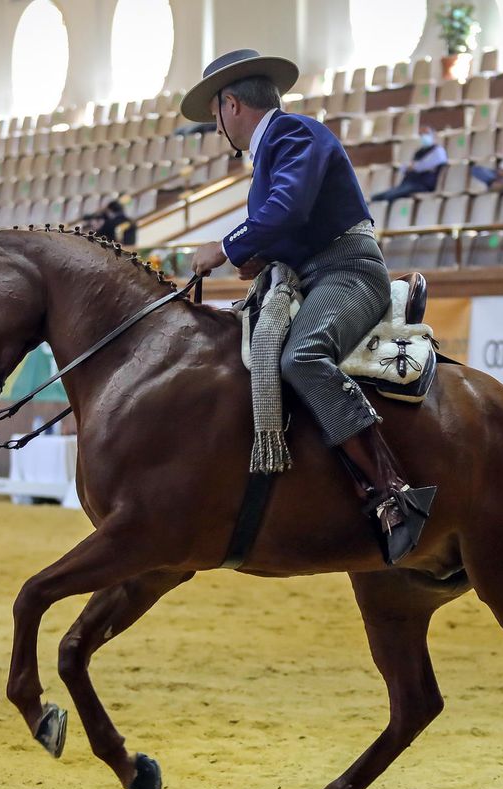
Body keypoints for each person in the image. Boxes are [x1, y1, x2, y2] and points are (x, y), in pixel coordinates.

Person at [183, 49, 436, 564]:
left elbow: (287, 209)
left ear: (231, 105)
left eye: (214, 116)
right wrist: (261, 258)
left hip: (349, 272)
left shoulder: (294, 133)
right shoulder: (278, 147)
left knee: (302, 357)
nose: (216, 129)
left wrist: (225, 248)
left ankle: (393, 492)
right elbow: (293, 223)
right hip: (310, 276)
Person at [371, 126, 448, 202]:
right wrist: (412, 167)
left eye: (426, 134)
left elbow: (422, 166)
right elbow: (405, 168)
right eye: (421, 135)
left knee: (390, 196)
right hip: (410, 183)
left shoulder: (438, 151)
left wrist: (414, 166)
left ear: (433, 135)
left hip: (423, 184)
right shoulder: (419, 152)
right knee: (377, 197)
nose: (423, 137)